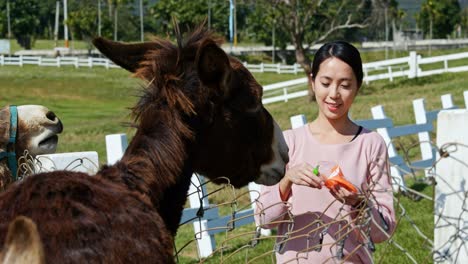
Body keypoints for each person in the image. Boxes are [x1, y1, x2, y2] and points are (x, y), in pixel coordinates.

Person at [255, 41, 396, 263]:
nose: (334, 94)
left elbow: (383, 231)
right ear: (313, 82)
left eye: (345, 85)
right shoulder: (289, 143)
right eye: (325, 82)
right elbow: (263, 219)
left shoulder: (371, 144)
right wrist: (286, 181)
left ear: (358, 86)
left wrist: (358, 203)